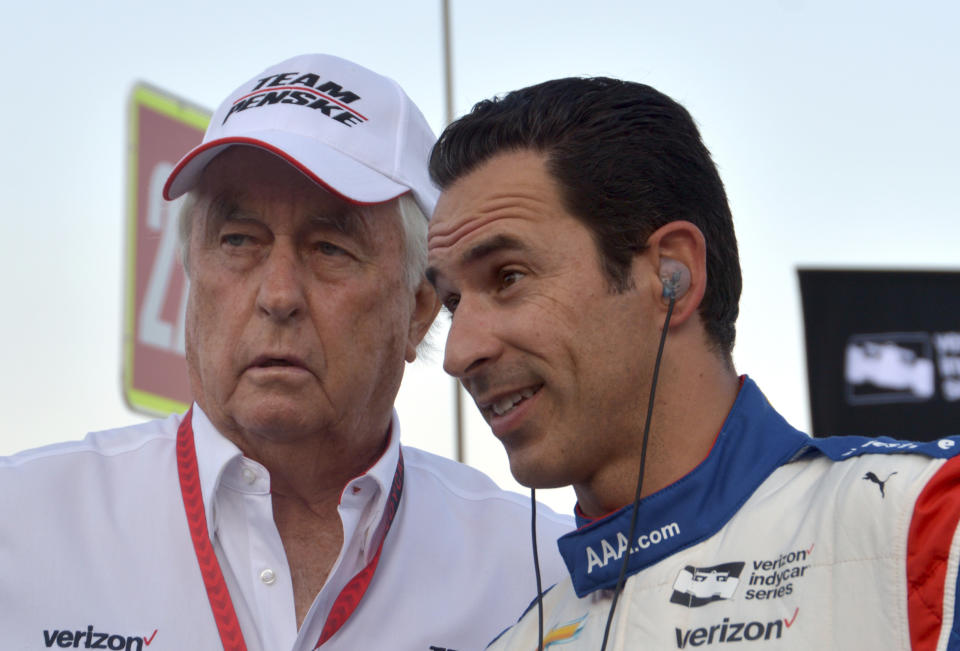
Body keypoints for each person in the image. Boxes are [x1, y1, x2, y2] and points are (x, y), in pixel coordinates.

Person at [0, 54, 572, 651]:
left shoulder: (539, 579)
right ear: (191, 270)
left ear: (419, 308)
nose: (278, 295)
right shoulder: (19, 525)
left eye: (329, 248)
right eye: (238, 240)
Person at [424, 76, 960, 649]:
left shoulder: (927, 525)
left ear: (671, 275)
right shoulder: (517, 639)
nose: (459, 353)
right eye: (453, 303)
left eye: (508, 277)